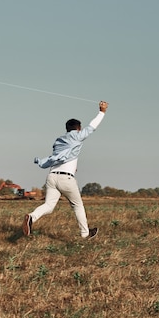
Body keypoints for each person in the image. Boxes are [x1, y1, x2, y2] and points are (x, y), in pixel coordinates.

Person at [22, 100, 109, 239]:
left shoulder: (59, 140)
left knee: (49, 206)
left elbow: (63, 156)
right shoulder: (77, 136)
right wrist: (102, 112)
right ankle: (85, 234)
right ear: (78, 128)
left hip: (52, 176)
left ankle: (31, 217)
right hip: (66, 178)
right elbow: (92, 127)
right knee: (77, 205)